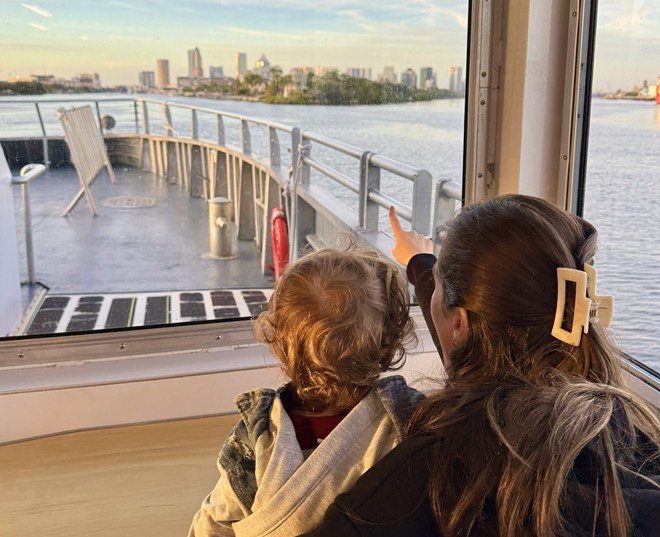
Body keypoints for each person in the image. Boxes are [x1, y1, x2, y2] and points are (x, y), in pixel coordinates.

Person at [300, 195, 660, 537]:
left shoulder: (420, 480)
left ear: (459, 323)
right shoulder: (634, 442)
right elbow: (478, 347)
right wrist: (420, 262)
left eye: (439, 285)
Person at [188, 246, 423, 537]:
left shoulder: (258, 439)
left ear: (280, 344)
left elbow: (214, 522)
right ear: (389, 344)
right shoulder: (406, 425)